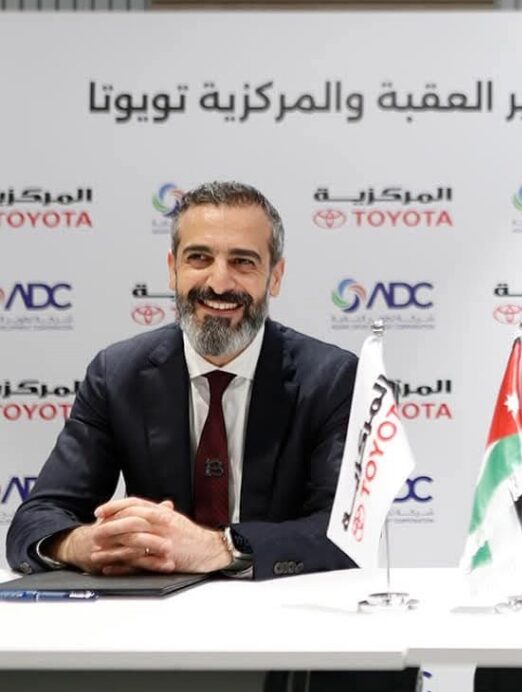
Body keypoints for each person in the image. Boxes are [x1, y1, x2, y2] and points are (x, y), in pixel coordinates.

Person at [7, 181, 358, 580]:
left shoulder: (331, 378)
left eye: (243, 262)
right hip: (150, 608)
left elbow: (343, 532)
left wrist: (220, 548)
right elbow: (35, 519)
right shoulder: (116, 373)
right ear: (172, 269)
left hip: (279, 602)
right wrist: (81, 544)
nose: (219, 283)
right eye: (199, 258)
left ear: (275, 276)